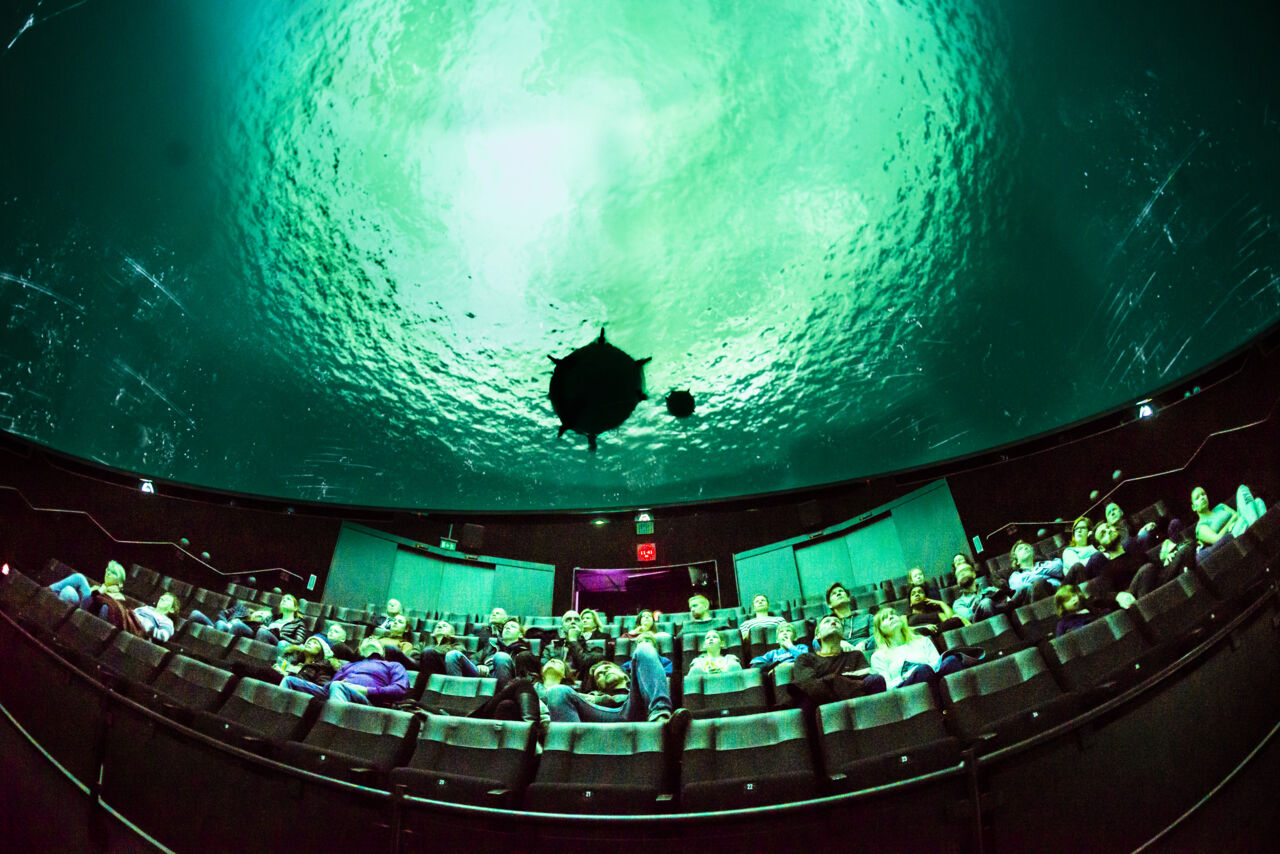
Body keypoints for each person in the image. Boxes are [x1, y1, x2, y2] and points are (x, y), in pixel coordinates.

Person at [541, 640, 680, 724]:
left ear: (624, 674)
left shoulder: (641, 684)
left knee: (644, 647)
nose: (605, 671)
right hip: (608, 716)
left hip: (638, 707)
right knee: (557, 691)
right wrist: (601, 699)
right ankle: (573, 753)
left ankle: (661, 719)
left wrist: (601, 699)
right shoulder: (594, 695)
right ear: (598, 687)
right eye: (599, 675)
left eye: (608, 667)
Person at [787, 615, 886, 705]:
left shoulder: (856, 655)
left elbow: (868, 681)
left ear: (842, 634)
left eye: (837, 622)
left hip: (859, 706)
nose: (833, 623)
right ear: (818, 635)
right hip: (823, 709)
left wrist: (831, 680)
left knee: (876, 679)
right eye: (827, 622)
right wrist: (840, 680)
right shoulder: (805, 659)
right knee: (806, 697)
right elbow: (810, 686)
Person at [281, 636, 410, 705]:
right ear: (360, 649)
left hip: (367, 701)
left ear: (382, 650)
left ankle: (328, 732)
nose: (370, 638)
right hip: (335, 691)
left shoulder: (393, 665)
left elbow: (400, 689)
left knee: (338, 686)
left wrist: (365, 690)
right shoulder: (349, 665)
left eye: (375, 639)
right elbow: (329, 686)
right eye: (367, 639)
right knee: (290, 681)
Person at [869, 609, 966, 690]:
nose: (891, 617)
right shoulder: (878, 656)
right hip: (908, 691)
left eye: (893, 615)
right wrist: (908, 676)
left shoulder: (922, 640)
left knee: (952, 660)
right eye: (884, 618)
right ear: (880, 630)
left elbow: (937, 664)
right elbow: (886, 686)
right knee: (922, 670)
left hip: (932, 676)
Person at [446, 616, 527, 688]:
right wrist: (479, 665)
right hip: (483, 675)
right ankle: (456, 693)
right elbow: (473, 658)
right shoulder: (490, 646)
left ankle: (501, 697)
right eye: (506, 627)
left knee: (501, 656)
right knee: (452, 655)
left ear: (520, 634)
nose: (507, 628)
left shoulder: (522, 652)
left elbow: (523, 676)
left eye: (512, 627)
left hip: (506, 681)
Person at [1193, 485, 1265, 549]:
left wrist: (1235, 519)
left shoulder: (1220, 507)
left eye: (1203, 494)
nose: (1202, 497)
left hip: (1242, 522)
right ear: (1193, 507)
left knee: (1251, 495)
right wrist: (1231, 522)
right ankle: (1258, 528)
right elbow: (1216, 539)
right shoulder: (1200, 526)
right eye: (1197, 498)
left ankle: (1258, 529)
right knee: (1255, 506)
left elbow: (1237, 515)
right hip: (1233, 535)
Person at [1053, 584, 1134, 637]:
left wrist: (1117, 596)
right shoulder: (1063, 623)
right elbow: (1061, 643)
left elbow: (1105, 598)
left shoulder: (1091, 604)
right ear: (1062, 606)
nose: (1073, 600)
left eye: (1073, 595)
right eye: (1068, 600)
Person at [50, 560, 127, 611]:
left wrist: (101, 592)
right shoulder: (98, 587)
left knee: (79, 578)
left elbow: (107, 610)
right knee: (68, 590)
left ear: (120, 582)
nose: (108, 573)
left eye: (113, 572)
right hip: (81, 608)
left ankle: (49, 590)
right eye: (108, 570)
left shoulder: (120, 597)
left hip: (92, 614)